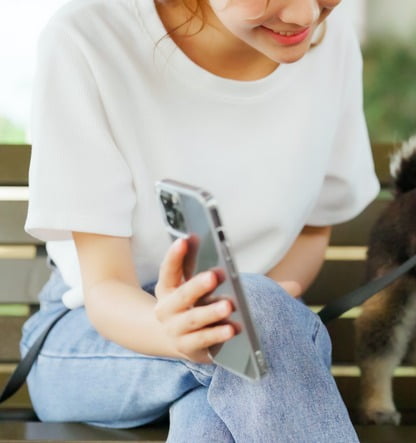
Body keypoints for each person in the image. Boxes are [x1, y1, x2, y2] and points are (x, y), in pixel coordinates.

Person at [21, 0, 379, 441]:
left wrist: (258, 309)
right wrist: (180, 331)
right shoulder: (89, 38)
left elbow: (313, 228)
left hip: (259, 331)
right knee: (255, 327)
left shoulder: (332, 38)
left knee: (216, 409)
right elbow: (105, 287)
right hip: (99, 335)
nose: (305, 15)